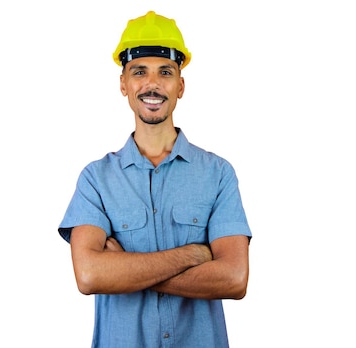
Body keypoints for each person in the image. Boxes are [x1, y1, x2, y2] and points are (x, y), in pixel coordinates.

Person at [58, 10, 252, 348]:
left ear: (180, 85)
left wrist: (124, 272)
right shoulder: (95, 180)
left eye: (165, 72)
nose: (152, 84)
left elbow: (234, 279)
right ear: (124, 85)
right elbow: (89, 275)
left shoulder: (218, 174)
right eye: (139, 72)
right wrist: (193, 255)